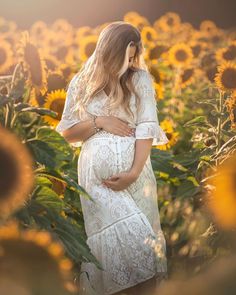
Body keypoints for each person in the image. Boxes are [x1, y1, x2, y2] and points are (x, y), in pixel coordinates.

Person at [56, 21, 169, 295]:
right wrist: (101, 121)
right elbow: (67, 132)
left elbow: (146, 128)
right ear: (109, 51)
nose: (129, 62)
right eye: (125, 56)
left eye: (133, 57)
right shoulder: (82, 82)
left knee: (142, 245)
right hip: (97, 184)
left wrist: (132, 172)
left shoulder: (140, 78)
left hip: (135, 176)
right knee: (121, 248)